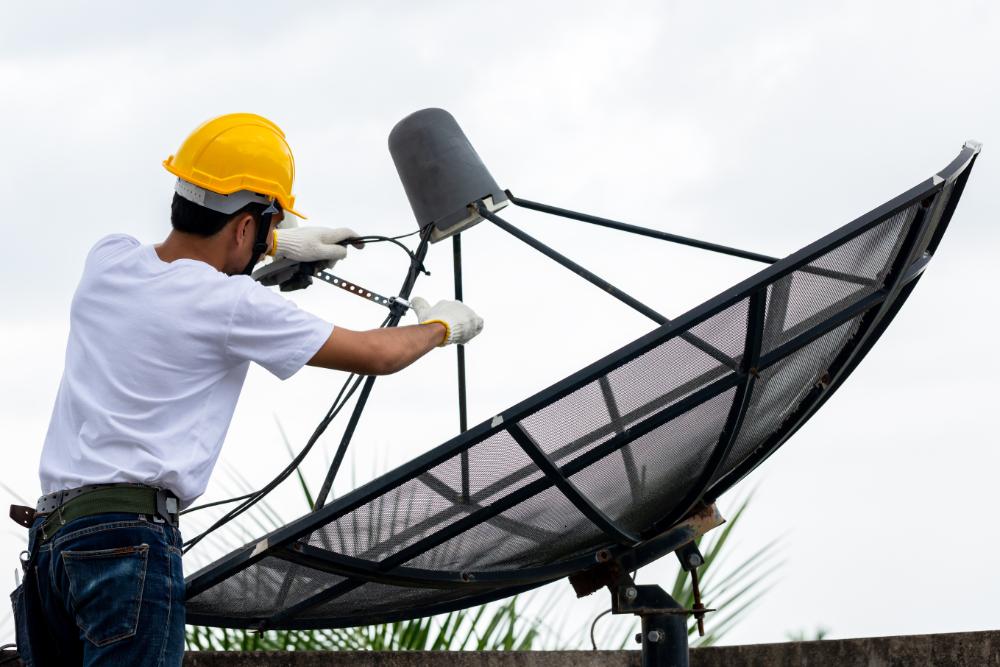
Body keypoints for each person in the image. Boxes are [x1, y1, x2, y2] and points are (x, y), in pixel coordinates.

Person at [11, 113, 483, 666]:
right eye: (263, 227)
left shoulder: (107, 261)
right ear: (243, 227)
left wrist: (274, 244)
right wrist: (440, 326)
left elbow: (175, 292)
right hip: (128, 545)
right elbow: (379, 354)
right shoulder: (235, 305)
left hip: (53, 542)